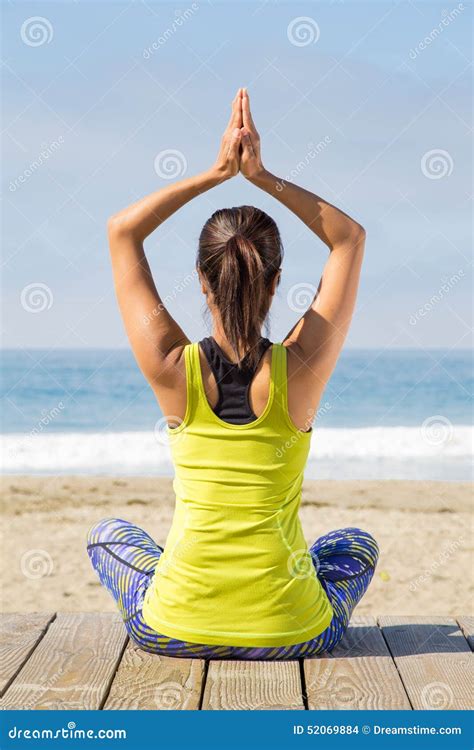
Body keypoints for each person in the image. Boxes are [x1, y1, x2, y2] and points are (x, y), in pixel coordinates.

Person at [87, 89, 378, 659]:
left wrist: (218, 173)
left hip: (172, 630)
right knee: (353, 546)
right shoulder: (299, 370)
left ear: (201, 278)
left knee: (108, 536)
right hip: (289, 636)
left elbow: (122, 231)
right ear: (275, 282)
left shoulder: (174, 368)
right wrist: (262, 175)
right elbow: (349, 239)